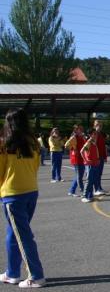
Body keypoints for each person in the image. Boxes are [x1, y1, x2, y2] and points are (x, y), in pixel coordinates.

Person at [0, 109, 46, 287]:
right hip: (31, 191)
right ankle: (12, 273)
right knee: (14, 233)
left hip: (13, 194)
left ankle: (36, 276)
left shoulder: (5, 143)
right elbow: (35, 166)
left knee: (23, 236)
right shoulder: (33, 142)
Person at [65, 125, 86, 197]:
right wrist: (73, 148)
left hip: (82, 158)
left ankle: (71, 191)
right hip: (76, 159)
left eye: (81, 129)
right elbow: (66, 145)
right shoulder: (74, 137)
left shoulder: (82, 137)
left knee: (79, 175)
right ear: (76, 130)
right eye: (79, 129)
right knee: (79, 176)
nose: (81, 130)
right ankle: (83, 191)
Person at [80, 129, 100, 203]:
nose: (96, 135)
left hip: (94, 164)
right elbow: (82, 151)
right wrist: (86, 160)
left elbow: (95, 152)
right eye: (94, 134)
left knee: (92, 180)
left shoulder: (93, 142)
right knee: (89, 181)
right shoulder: (89, 142)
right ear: (90, 135)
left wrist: (97, 159)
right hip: (90, 164)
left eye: (96, 134)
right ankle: (84, 196)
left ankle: (90, 196)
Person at [92, 120, 108, 196]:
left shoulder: (101, 134)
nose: (99, 127)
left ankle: (99, 187)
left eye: (101, 125)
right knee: (96, 173)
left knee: (99, 173)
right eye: (98, 125)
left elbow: (103, 146)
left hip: (101, 157)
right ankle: (96, 189)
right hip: (95, 157)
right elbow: (93, 146)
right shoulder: (93, 134)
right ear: (94, 126)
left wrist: (105, 157)